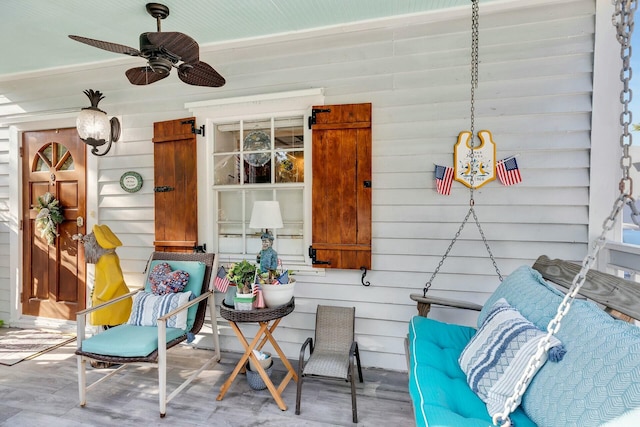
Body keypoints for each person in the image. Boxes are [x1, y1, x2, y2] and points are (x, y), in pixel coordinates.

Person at [81, 224, 132, 328]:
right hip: (111, 301)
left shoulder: (108, 259)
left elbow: (115, 280)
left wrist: (102, 297)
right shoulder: (105, 257)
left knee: (112, 328)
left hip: (113, 301)